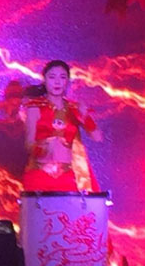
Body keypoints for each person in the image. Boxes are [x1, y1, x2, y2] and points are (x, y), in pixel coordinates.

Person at [23, 60, 102, 192]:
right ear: (45, 80)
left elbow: (97, 137)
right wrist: (41, 148)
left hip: (67, 177)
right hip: (39, 175)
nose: (57, 82)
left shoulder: (74, 108)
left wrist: (85, 116)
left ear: (67, 81)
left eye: (62, 77)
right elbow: (28, 143)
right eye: (52, 77)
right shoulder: (35, 108)